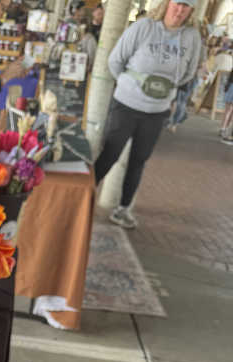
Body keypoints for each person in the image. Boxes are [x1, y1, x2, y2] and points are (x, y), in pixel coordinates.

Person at [94, 0, 201, 229]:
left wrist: (162, 91)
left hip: (156, 112)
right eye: (177, 3)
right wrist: (129, 85)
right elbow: (115, 60)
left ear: (191, 10)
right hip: (126, 106)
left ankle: (122, 209)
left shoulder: (192, 38)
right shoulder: (143, 27)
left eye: (186, 6)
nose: (180, 10)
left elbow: (188, 74)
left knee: (138, 161)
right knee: (110, 154)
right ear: (167, 3)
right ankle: (82, 199)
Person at [220, 69, 233, 143]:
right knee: (230, 112)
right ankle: (227, 130)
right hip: (231, 86)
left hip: (231, 87)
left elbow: (230, 77)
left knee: (227, 110)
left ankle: (223, 129)